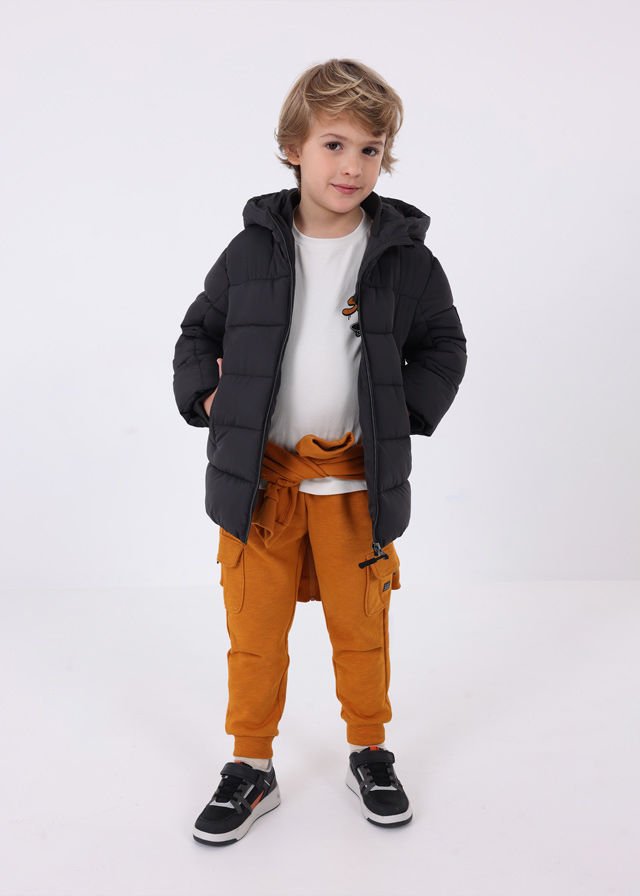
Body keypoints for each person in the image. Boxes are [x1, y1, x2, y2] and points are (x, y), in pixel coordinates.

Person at [172, 58, 468, 846]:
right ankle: (250, 765)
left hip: (355, 487)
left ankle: (369, 751)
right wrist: (209, 398)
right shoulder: (249, 254)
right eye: (334, 145)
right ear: (293, 149)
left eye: (371, 150)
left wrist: (401, 414)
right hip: (261, 489)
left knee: (361, 629)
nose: (352, 166)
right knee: (255, 633)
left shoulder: (404, 257)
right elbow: (197, 333)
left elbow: (444, 344)